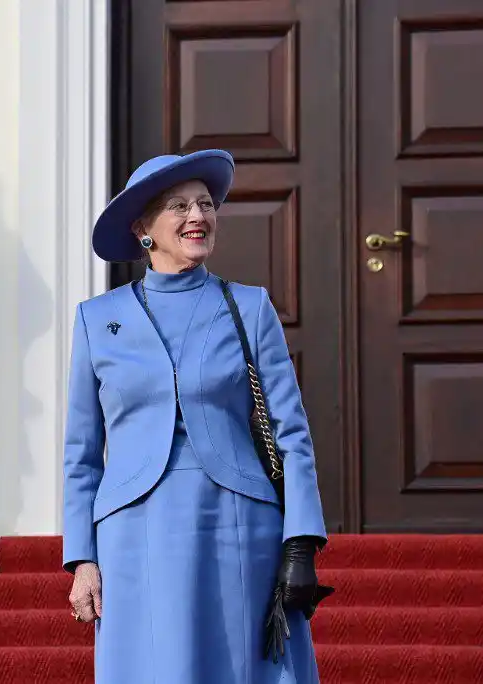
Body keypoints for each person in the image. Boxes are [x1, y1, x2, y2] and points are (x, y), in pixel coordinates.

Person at [62, 150, 331, 682]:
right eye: (179, 206)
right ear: (143, 228)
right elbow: (81, 454)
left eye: (206, 204)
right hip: (134, 531)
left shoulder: (250, 307)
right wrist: (82, 559)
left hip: (238, 522)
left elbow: (291, 433)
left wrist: (300, 540)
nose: (197, 216)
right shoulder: (97, 320)